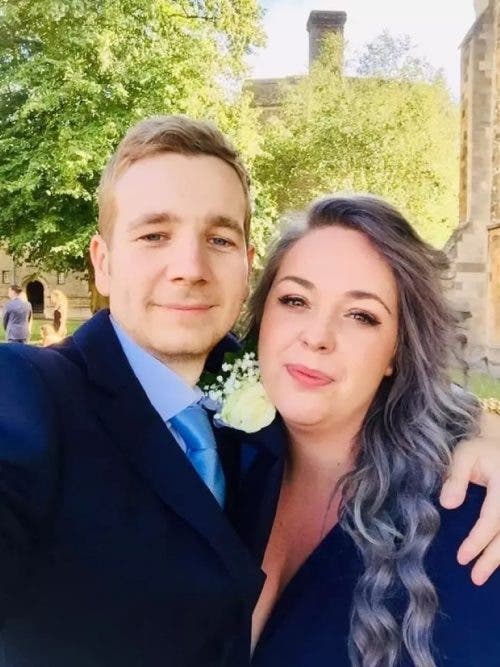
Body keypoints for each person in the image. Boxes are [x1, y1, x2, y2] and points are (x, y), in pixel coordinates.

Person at [0, 117, 499, 667]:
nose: (189, 269)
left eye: (218, 239)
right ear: (102, 262)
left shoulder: (469, 525)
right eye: (154, 235)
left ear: (245, 265)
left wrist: (482, 432)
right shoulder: (27, 394)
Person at [244, 195, 500, 666]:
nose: (317, 336)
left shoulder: (471, 527)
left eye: (361, 315)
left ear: (396, 353)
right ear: (262, 318)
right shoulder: (213, 461)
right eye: (295, 300)